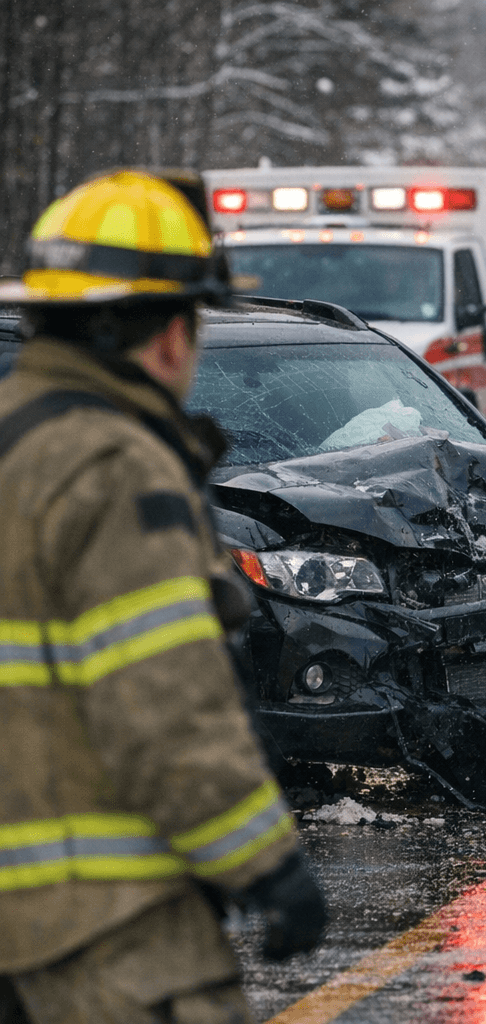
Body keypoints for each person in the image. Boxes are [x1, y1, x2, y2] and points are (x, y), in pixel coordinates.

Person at [0, 170, 326, 1024]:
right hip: (101, 928)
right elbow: (164, 705)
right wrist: (266, 865)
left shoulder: (16, 447)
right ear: (174, 334)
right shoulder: (115, 468)